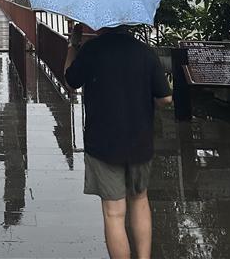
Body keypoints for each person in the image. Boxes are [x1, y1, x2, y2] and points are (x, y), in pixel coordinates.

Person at [64, 24, 172, 259]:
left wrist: (73, 45)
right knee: (140, 199)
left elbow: (71, 83)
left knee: (114, 212)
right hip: (140, 139)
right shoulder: (144, 51)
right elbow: (165, 97)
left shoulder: (92, 50)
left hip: (103, 142)